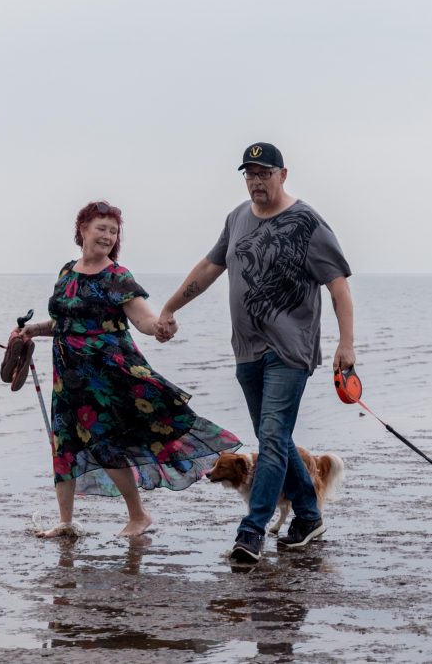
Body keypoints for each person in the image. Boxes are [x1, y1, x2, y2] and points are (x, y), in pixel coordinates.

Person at [157, 142, 355, 563]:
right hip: (247, 351)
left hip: (290, 351)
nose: (255, 181)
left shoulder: (308, 223)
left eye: (264, 173)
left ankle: (252, 532)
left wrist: (345, 343)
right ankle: (308, 516)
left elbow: (339, 286)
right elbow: (211, 267)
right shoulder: (237, 218)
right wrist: (171, 307)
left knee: (270, 438)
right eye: (249, 173)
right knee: (277, 440)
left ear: (283, 174)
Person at [10, 200, 241, 538]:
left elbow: (143, 319)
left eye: (113, 231)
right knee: (63, 444)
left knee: (105, 445)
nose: (107, 235)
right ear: (83, 229)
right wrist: (33, 330)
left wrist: (160, 328)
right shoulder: (66, 272)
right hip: (69, 378)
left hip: (108, 377)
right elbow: (64, 322)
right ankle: (66, 521)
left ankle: (138, 515)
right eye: (100, 228)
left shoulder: (117, 275)